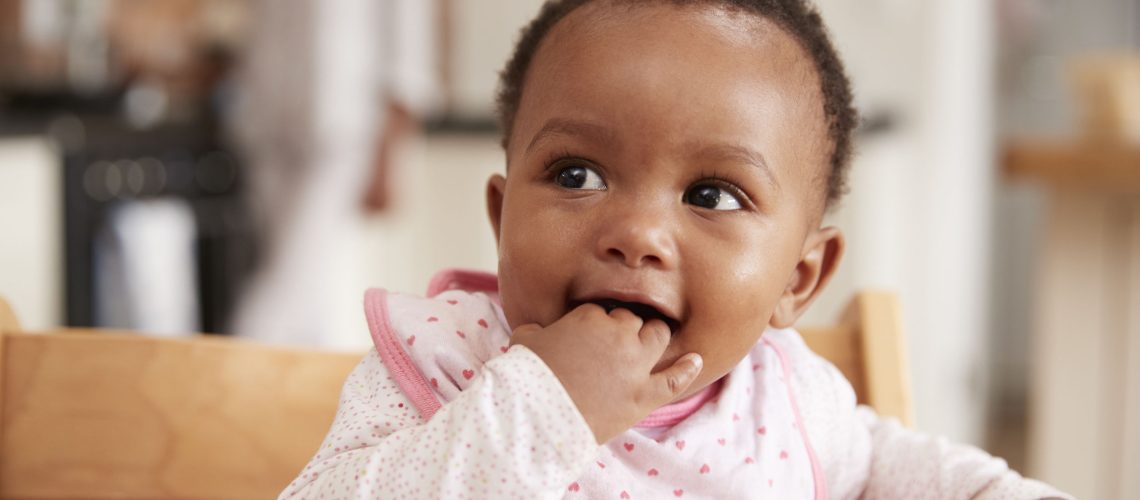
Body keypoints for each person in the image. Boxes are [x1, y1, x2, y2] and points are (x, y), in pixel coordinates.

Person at [281, 0, 1070, 498]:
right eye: (577, 173)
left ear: (799, 279)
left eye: (712, 195)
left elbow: (932, 481)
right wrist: (543, 402)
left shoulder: (790, 403)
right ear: (501, 216)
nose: (636, 234)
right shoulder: (442, 366)